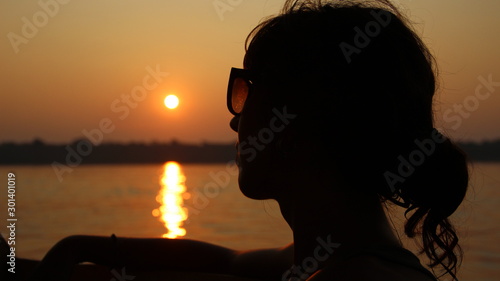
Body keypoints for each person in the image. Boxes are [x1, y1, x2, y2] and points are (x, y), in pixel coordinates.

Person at [17, 0, 469, 280]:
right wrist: (78, 245)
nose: (236, 122)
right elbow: (227, 261)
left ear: (300, 122)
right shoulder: (327, 257)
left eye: (246, 92)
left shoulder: (355, 275)